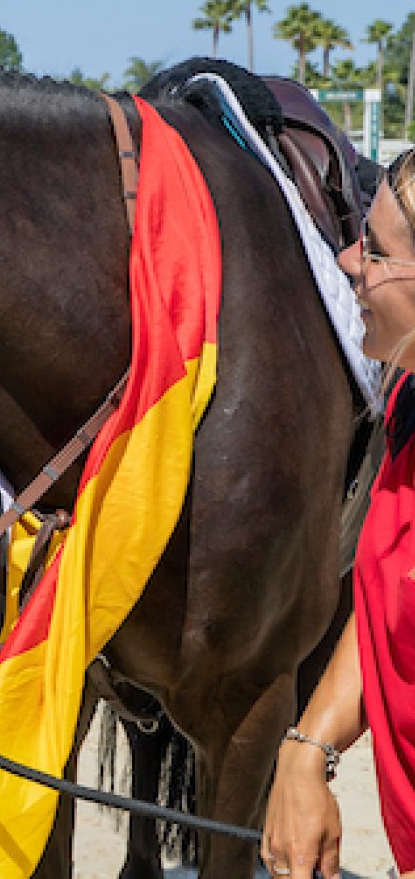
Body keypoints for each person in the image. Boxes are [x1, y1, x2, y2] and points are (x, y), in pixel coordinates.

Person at [263, 151, 415, 879]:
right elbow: (391, 597)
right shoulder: (408, 401)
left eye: (377, 251)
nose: (349, 260)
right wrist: (308, 747)